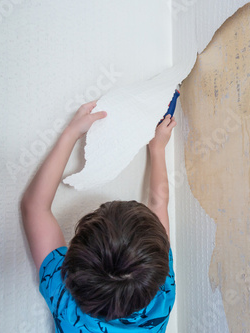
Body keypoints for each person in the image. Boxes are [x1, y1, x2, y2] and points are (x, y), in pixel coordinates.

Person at [21, 101, 177, 332]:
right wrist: (158, 148)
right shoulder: (161, 296)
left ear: (69, 264)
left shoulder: (64, 296)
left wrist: (72, 132)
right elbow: (159, 202)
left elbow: (34, 206)